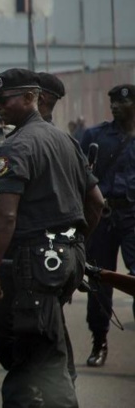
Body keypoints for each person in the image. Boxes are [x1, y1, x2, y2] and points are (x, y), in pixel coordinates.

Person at [0, 69, 104, 408]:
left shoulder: (16, 146)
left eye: (5, 100)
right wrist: (75, 250)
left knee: (43, 362)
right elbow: (96, 204)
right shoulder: (65, 139)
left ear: (30, 98)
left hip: (37, 264)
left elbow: (5, 216)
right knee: (41, 349)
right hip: (63, 261)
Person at [80, 83, 135, 368]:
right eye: (112, 102)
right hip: (103, 215)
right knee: (100, 281)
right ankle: (99, 341)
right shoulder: (95, 137)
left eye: (122, 102)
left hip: (133, 218)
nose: (115, 106)